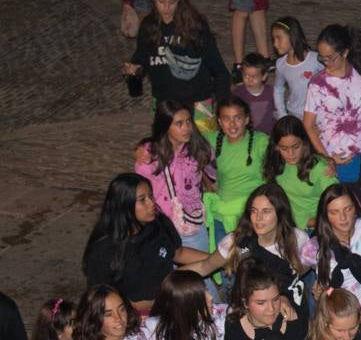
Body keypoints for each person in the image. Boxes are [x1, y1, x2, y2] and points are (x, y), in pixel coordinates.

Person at [82, 174, 209, 314]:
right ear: (124, 205)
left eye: (151, 196)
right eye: (142, 200)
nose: (152, 203)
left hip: (169, 307)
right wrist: (129, 311)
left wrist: (221, 258)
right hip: (130, 319)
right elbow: (99, 297)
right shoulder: (103, 249)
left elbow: (179, 253)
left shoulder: (160, 223)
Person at [123, 0, 230, 114]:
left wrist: (223, 104)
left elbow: (216, 65)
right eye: (161, 1)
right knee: (162, 136)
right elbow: (142, 55)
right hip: (164, 102)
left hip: (199, 101)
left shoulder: (195, 25)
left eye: (172, 2)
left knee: (206, 136)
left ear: (179, 0)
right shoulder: (148, 25)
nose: (166, 8)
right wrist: (135, 67)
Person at [135, 100, 214, 259]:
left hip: (192, 225)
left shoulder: (198, 148)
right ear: (165, 127)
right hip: (162, 229)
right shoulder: (149, 156)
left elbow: (213, 171)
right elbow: (140, 194)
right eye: (178, 124)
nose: (186, 128)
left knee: (201, 273)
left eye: (188, 122)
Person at [304, 24, 361, 198]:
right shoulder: (318, 84)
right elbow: (308, 124)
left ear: (345, 52)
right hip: (333, 158)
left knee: (360, 206)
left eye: (330, 58)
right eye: (322, 58)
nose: (326, 63)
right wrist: (326, 158)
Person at [301, 184, 361, 307]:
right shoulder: (315, 246)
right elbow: (293, 274)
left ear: (355, 207)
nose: (343, 217)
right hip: (340, 314)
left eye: (348, 209)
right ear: (325, 215)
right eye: (334, 212)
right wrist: (321, 289)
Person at [205, 96, 271, 239]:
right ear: (220, 122)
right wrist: (207, 182)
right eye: (226, 119)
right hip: (221, 214)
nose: (232, 124)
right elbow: (183, 149)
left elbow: (287, 154)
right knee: (224, 260)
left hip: (252, 215)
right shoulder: (213, 139)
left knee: (250, 260)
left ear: (246, 119)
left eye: (238, 118)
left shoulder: (261, 141)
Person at [263, 115, 332, 229]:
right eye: (284, 149)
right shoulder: (274, 164)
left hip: (316, 228)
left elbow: (337, 204)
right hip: (284, 226)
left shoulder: (320, 167)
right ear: (276, 147)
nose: (291, 154)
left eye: (296, 147)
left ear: (304, 143)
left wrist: (311, 223)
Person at [271, 15, 319, 120]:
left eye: (278, 38)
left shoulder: (316, 60)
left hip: (317, 117)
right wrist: (282, 114)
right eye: (273, 39)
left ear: (292, 36)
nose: (275, 44)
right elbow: (278, 89)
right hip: (295, 116)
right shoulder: (280, 64)